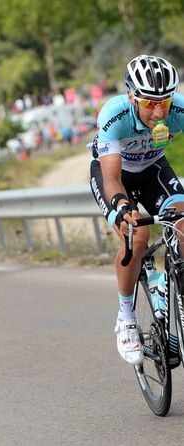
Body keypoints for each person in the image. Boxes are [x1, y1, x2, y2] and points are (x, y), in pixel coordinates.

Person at [89, 55, 184, 365]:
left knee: (183, 225)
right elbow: (112, 179)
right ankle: (126, 318)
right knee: (137, 237)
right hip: (116, 175)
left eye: (164, 102)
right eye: (150, 103)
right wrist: (122, 205)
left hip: (153, 168)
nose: (159, 112)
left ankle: (171, 288)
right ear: (131, 96)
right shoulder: (114, 115)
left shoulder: (179, 110)